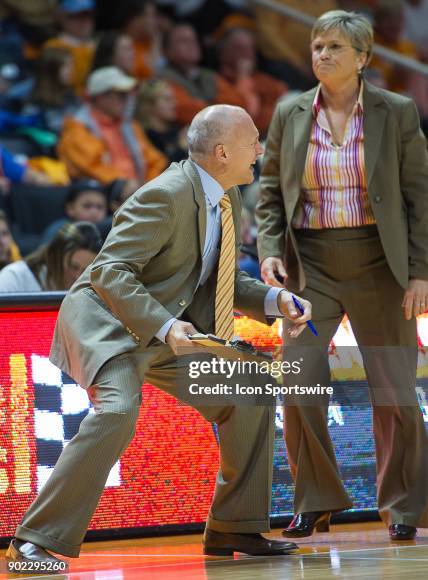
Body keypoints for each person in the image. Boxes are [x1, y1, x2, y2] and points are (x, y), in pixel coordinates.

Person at [6, 104, 312, 568]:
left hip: (161, 331)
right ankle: (34, 540)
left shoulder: (221, 198)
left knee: (251, 388)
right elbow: (109, 272)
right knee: (118, 412)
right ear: (224, 151)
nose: (260, 149)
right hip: (110, 325)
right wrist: (167, 327)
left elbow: (219, 279)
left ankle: (237, 526)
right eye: (254, 140)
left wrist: (275, 301)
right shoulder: (167, 194)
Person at [256, 10, 428, 542]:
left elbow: (420, 197)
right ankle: (316, 500)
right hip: (313, 267)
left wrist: (420, 271)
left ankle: (404, 507)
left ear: (363, 58)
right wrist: (267, 250)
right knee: (299, 377)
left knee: (395, 389)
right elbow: (267, 193)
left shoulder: (395, 111)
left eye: (334, 47)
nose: (322, 55)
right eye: (317, 46)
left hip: (382, 265)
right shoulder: (288, 112)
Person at [58, 66, 167, 185]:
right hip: (103, 197)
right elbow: (93, 168)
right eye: (120, 95)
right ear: (100, 97)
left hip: (138, 193)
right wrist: (126, 186)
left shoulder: (130, 125)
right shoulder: (79, 129)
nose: (126, 100)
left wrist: (150, 186)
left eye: (127, 95)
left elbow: (155, 161)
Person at [255, 0, 337, 90]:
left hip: (318, 61)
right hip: (285, 62)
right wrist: (298, 63)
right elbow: (268, 35)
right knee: (286, 71)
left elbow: (336, 33)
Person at [159, 23, 245, 125]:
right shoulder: (163, 78)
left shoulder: (209, 75)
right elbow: (187, 112)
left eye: (193, 39)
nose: (191, 44)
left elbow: (239, 105)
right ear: (166, 51)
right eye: (183, 41)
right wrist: (219, 107)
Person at [217, 27, 288, 138]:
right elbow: (243, 116)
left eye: (250, 48)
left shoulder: (260, 78)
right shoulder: (217, 83)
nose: (247, 53)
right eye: (239, 48)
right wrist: (243, 77)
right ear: (224, 52)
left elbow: (285, 97)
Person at [0, 221, 102, 292]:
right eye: (73, 267)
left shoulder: (93, 286)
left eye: (85, 271)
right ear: (56, 256)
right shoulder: (14, 278)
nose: (77, 277)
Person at [43, 0, 96, 92]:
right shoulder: (53, 46)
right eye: (77, 16)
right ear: (62, 18)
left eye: (88, 15)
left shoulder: (97, 45)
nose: (84, 21)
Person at [22, 47, 80, 135]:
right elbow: (29, 130)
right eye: (66, 66)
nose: (71, 71)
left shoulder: (70, 95)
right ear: (52, 69)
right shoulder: (36, 100)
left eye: (72, 65)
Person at [135, 79, 188, 164]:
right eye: (167, 99)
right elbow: (160, 171)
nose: (174, 104)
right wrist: (181, 148)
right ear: (149, 105)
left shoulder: (178, 131)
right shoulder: (143, 136)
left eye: (173, 99)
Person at [41, 180, 108, 244]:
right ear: (70, 208)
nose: (94, 212)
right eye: (87, 206)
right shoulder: (59, 230)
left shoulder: (108, 232)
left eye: (99, 207)